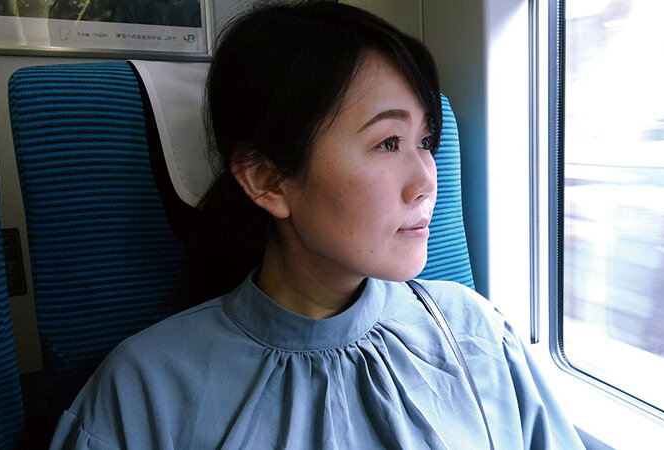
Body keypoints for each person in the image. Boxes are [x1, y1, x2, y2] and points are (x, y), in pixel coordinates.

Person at [49, 2, 585, 448]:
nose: (427, 179)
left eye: (425, 141)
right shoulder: (143, 392)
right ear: (266, 180)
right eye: (388, 143)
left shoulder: (478, 334)